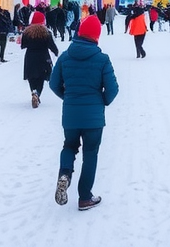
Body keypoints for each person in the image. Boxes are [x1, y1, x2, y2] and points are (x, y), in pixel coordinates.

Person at [51, 15, 119, 211]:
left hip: (71, 115)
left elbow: (54, 84)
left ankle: (65, 173)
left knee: (69, 146)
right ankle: (85, 198)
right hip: (94, 118)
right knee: (90, 155)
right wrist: (101, 101)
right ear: (97, 36)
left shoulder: (65, 56)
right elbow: (113, 90)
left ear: (79, 32)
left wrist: (68, 98)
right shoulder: (102, 59)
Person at [22, 11, 59, 108]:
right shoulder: (46, 32)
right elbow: (52, 46)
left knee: (31, 77)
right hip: (43, 57)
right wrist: (56, 52)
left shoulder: (27, 32)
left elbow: (23, 45)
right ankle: (37, 93)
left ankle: (33, 91)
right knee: (41, 78)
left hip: (30, 57)